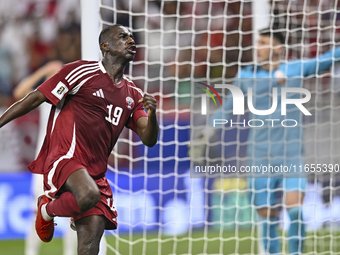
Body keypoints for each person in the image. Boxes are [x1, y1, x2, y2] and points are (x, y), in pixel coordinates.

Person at [0, 24, 159, 255]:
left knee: (89, 247)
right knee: (89, 193)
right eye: (123, 37)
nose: (131, 41)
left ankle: (48, 210)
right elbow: (35, 98)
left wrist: (152, 116)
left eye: (132, 37)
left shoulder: (133, 94)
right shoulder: (81, 72)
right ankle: (46, 210)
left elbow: (148, 138)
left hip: (96, 173)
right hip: (64, 157)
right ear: (105, 46)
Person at [191, 28, 340, 254]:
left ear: (277, 48)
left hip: (292, 156)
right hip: (259, 157)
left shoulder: (295, 69)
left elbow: (327, 60)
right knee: (267, 216)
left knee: (295, 211)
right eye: (257, 43)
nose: (257, 48)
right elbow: (228, 108)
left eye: (263, 43)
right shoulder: (246, 77)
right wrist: (208, 132)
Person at [13, 61, 107, 255]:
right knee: (37, 212)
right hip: (45, 166)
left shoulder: (76, 98)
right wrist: (43, 69)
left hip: (72, 165)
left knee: (76, 213)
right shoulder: (45, 98)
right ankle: (30, 252)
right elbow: (18, 94)